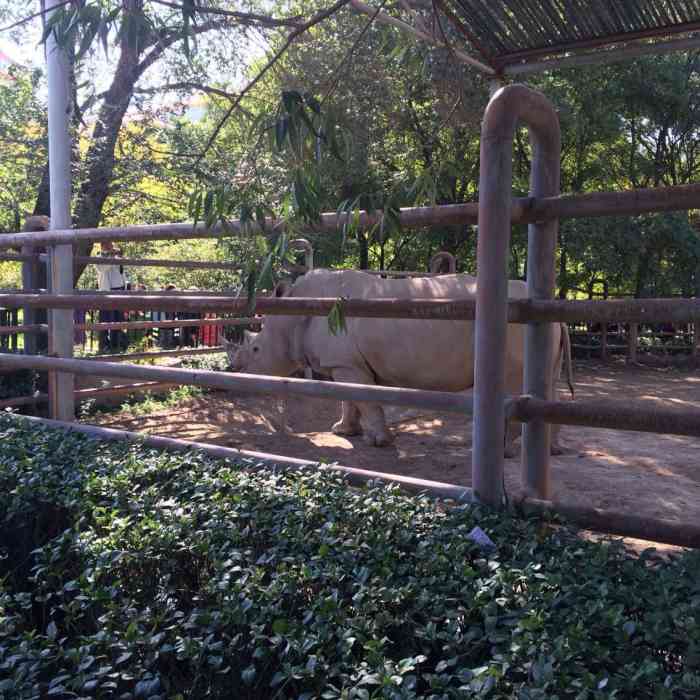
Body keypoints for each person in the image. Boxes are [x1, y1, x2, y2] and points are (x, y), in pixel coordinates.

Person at [96, 243, 128, 352]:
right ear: (102, 246)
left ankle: (116, 344)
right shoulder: (99, 257)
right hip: (107, 292)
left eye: (111, 244)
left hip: (120, 291)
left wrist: (117, 256)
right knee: (105, 319)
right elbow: (103, 268)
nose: (110, 246)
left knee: (118, 319)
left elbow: (122, 272)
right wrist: (111, 255)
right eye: (107, 244)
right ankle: (104, 345)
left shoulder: (116, 256)